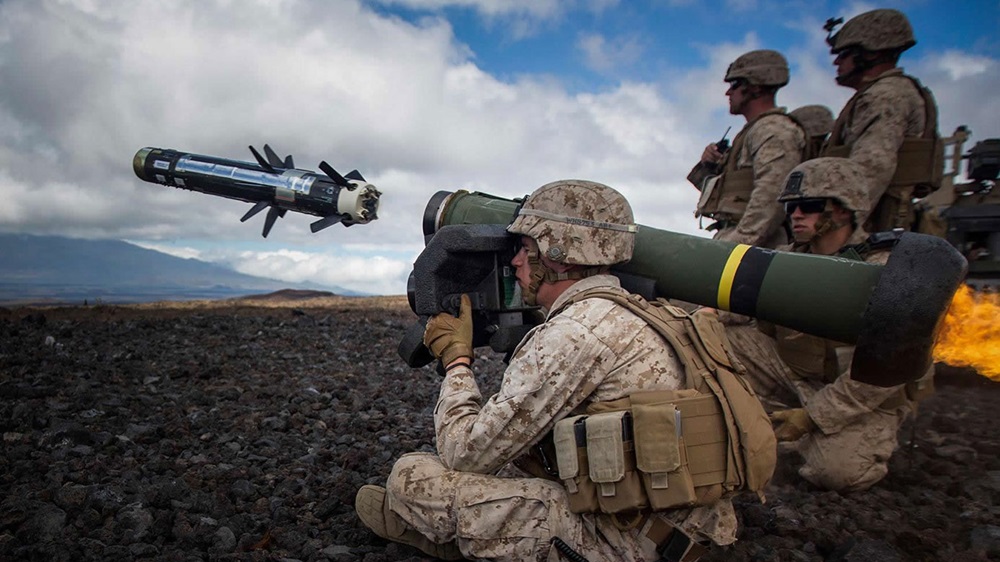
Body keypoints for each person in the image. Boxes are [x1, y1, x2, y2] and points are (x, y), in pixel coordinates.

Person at [355, 180, 763, 561]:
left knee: (412, 478)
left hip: (629, 543)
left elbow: (466, 452)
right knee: (514, 460)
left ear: (556, 254)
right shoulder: (658, 313)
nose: (515, 260)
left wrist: (457, 360)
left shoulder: (575, 332)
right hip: (696, 530)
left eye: (525, 246)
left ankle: (455, 539)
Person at [724, 157, 932, 492]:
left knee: (836, 473)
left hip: (859, 395)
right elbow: (741, 309)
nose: (796, 215)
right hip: (799, 376)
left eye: (808, 206)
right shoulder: (785, 258)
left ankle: (801, 437)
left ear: (843, 210)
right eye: (791, 208)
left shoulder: (886, 268)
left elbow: (887, 369)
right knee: (718, 338)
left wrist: (812, 418)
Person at [821, 8, 942, 233]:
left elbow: (871, 169)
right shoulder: (888, 92)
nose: (837, 61)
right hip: (874, 225)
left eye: (845, 53)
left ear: (872, 53)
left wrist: (834, 232)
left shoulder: (884, 96)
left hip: (873, 229)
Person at [687, 49, 807, 249]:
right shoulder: (754, 131)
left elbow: (771, 196)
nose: (728, 92)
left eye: (735, 85)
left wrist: (739, 244)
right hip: (736, 237)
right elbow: (730, 196)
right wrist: (709, 166)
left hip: (756, 245)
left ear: (755, 88)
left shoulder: (773, 130)